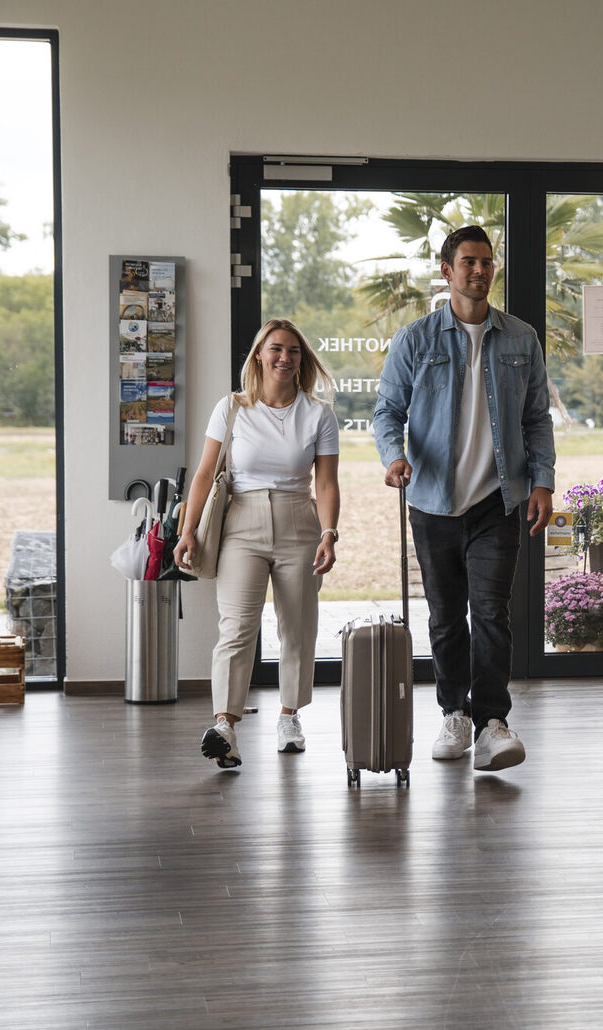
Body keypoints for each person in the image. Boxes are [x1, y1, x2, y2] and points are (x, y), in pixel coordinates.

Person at [373, 225, 556, 772]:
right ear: (448, 271)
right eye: (468, 262)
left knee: (493, 614)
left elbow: (536, 419)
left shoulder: (521, 339)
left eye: (486, 261)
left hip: (497, 501)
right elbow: (387, 412)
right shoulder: (416, 340)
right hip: (431, 500)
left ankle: (493, 723)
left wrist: (542, 480)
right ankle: (454, 712)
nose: (480, 270)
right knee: (447, 617)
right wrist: (393, 456)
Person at [174, 318, 340, 767]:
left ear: (301, 360)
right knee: (236, 627)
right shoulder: (232, 408)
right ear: (259, 356)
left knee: (298, 627)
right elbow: (206, 474)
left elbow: (325, 483)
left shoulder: (318, 414)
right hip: (242, 522)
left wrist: (329, 533)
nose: (285, 357)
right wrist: (187, 530)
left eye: (293, 351)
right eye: (276, 349)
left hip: (299, 521)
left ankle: (289, 715)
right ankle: (225, 725)